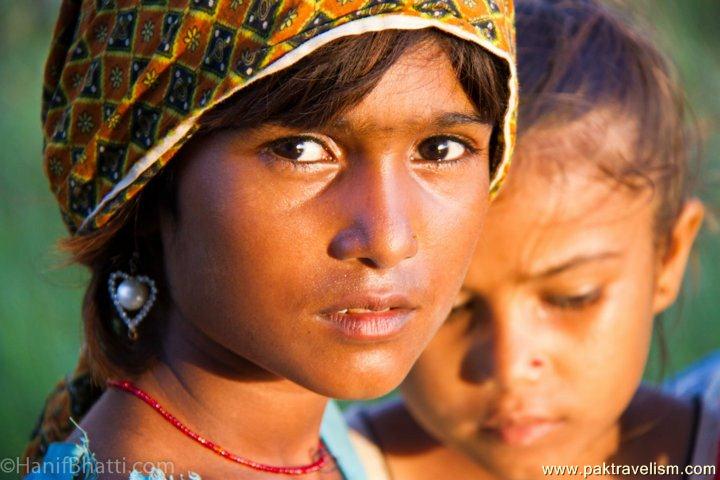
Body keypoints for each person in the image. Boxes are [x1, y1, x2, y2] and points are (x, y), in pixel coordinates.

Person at [23, 0, 518, 479]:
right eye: (300, 150)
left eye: (440, 148)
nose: (387, 239)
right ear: (150, 183)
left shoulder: (326, 444)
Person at [348, 0, 717, 478]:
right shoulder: (321, 463)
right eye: (452, 306)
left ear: (667, 257)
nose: (509, 364)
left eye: (571, 297)